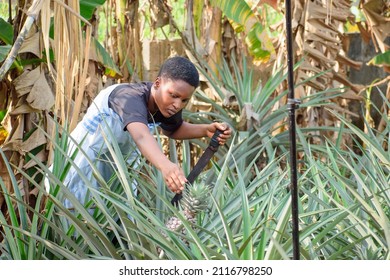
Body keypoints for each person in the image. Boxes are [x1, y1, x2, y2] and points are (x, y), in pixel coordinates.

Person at [46, 56, 231, 208]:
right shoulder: (129, 97)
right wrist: (166, 166)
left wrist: (205, 130)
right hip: (83, 166)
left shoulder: (165, 105)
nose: (178, 105)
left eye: (184, 100)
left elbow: (174, 130)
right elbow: (141, 135)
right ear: (157, 83)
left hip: (117, 174)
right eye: (174, 96)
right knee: (76, 219)